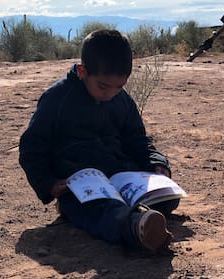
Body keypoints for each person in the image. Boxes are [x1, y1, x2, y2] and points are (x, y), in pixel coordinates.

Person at [18, 29, 180, 252]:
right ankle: (135, 227)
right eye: (103, 86)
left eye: (119, 87)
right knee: (97, 207)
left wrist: (157, 164)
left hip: (120, 176)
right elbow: (32, 147)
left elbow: (137, 140)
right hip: (79, 185)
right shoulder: (57, 99)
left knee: (166, 198)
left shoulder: (122, 100)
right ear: (83, 71)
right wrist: (48, 183)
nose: (110, 94)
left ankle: (139, 216)